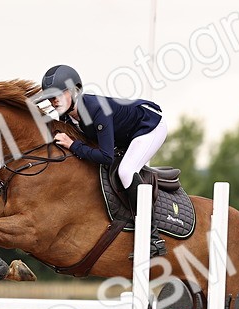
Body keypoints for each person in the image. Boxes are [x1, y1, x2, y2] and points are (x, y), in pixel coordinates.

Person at [39, 64, 167, 257]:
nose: (54, 100)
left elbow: (106, 157)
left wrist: (73, 146)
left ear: (74, 91)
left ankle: (152, 238)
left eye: (58, 94)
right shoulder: (66, 117)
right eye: (50, 97)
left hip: (149, 125)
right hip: (125, 134)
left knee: (125, 171)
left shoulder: (96, 109)